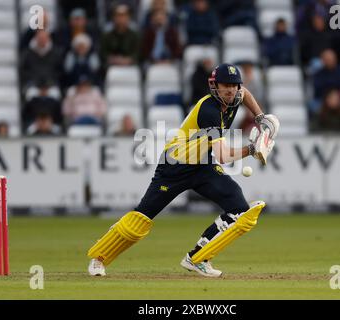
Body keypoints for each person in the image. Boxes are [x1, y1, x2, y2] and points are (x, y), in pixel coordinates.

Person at [86, 63, 280, 277]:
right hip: (174, 166)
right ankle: (99, 258)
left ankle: (198, 258)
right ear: (214, 86)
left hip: (202, 165)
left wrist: (260, 117)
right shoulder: (209, 110)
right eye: (226, 85)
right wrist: (252, 149)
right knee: (142, 218)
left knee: (239, 209)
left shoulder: (234, 97)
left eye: (234, 85)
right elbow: (224, 156)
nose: (231, 90)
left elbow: (246, 94)